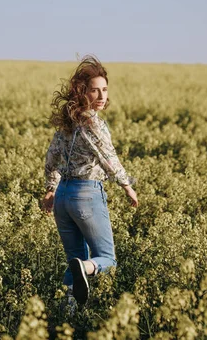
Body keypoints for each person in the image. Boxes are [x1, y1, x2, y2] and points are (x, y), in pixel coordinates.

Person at [41, 55, 139, 307]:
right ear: (82, 92)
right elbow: (108, 157)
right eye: (94, 90)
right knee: (106, 258)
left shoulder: (67, 122)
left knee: (73, 258)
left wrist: (51, 190)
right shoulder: (92, 123)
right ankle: (86, 268)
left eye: (104, 89)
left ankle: (68, 313)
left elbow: (51, 157)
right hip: (86, 195)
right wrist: (127, 186)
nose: (101, 95)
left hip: (63, 197)